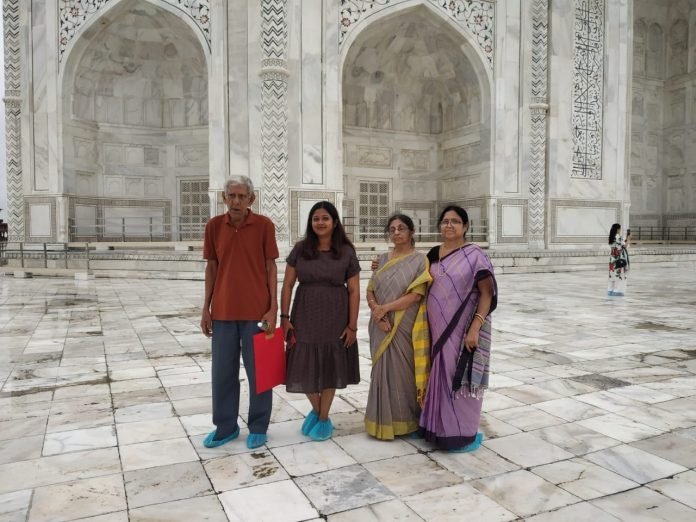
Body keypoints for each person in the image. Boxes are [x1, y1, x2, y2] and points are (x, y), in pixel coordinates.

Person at [200, 176, 279, 450]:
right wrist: (206, 308)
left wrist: (273, 308)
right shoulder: (213, 227)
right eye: (231, 196)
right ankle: (225, 427)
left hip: (257, 312)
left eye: (241, 196)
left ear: (251, 199)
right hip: (222, 312)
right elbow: (211, 268)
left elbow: (271, 267)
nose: (236, 201)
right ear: (224, 198)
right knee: (222, 372)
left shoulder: (264, 226)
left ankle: (258, 425)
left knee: (259, 372)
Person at [280, 201, 361, 441]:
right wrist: (284, 317)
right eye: (316, 218)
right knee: (301, 362)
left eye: (325, 218)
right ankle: (317, 409)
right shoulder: (301, 249)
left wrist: (352, 325)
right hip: (304, 313)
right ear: (310, 222)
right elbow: (287, 284)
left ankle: (323, 417)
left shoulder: (346, 251)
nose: (320, 222)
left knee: (330, 365)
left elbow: (354, 290)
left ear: (334, 222)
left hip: (335, 315)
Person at [420, 205, 497, 452]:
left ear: (465, 227)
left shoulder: (475, 255)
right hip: (434, 329)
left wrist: (475, 327)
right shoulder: (432, 254)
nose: (449, 225)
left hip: (461, 329)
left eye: (455, 221)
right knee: (438, 376)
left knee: (458, 377)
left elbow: (487, 294)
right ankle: (436, 429)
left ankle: (461, 433)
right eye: (444, 221)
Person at [365, 214, 431, 440]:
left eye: (401, 228)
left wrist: (386, 309)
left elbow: (416, 295)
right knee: (381, 372)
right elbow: (370, 289)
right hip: (379, 325)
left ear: (412, 232)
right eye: (392, 229)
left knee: (403, 372)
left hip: (404, 325)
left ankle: (406, 421)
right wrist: (376, 311)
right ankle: (380, 421)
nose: (396, 233)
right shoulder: (381, 259)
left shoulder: (420, 261)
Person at [608, 223, 630, 296]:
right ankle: (617, 291)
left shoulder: (611, 237)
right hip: (618, 259)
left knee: (612, 276)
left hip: (612, 259)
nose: (620, 230)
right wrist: (629, 238)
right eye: (620, 229)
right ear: (617, 229)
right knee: (618, 275)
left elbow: (617, 246)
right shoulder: (618, 237)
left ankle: (610, 290)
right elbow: (625, 246)